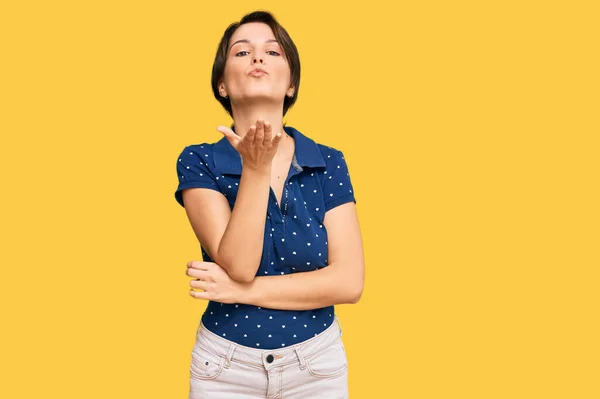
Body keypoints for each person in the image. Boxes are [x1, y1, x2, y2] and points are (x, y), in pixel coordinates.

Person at [174, 10, 365, 398]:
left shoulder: (327, 161)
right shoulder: (199, 161)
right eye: (241, 52)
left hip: (317, 366)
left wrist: (241, 291)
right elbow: (239, 264)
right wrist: (256, 170)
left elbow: (348, 281)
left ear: (291, 83)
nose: (257, 59)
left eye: (272, 52)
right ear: (222, 85)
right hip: (224, 369)